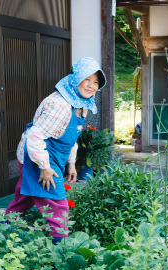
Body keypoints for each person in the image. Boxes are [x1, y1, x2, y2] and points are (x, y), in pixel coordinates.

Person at [6, 57, 106, 243]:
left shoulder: (78, 103)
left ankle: (5, 230)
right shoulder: (59, 104)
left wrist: (71, 165)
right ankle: (60, 250)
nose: (92, 86)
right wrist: (44, 167)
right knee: (58, 204)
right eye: (87, 80)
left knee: (26, 195)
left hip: (52, 155)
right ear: (76, 79)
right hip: (38, 155)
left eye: (96, 82)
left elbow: (70, 139)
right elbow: (35, 135)